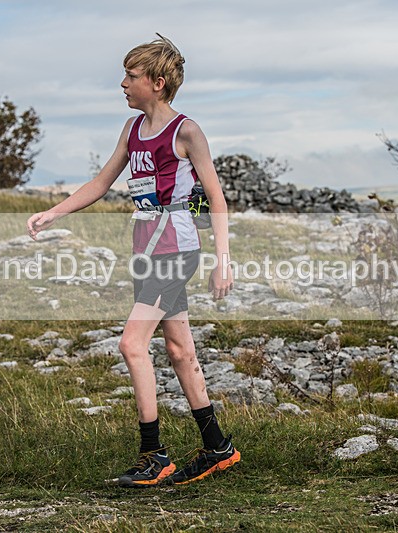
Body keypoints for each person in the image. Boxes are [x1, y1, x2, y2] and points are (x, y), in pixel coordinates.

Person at [27, 34, 239, 487]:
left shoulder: (187, 131)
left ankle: (153, 454)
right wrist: (54, 212)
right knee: (181, 351)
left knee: (131, 343)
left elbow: (217, 198)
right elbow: (101, 182)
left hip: (177, 250)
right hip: (145, 249)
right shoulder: (130, 131)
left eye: (131, 76)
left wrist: (224, 260)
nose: (122, 84)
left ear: (158, 82)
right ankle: (218, 446)